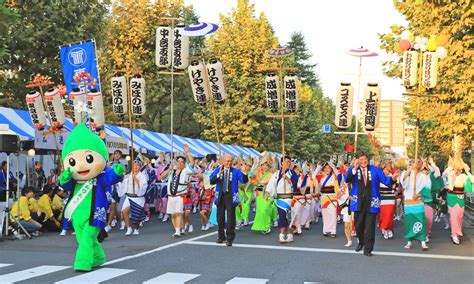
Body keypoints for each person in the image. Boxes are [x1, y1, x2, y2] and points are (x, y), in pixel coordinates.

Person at [345, 151, 398, 257]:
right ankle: (361, 241)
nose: (363, 161)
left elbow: (385, 180)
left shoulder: (375, 170)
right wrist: (354, 168)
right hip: (358, 201)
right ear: (358, 160)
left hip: (372, 202)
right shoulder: (353, 169)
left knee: (370, 227)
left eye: (365, 159)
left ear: (367, 159)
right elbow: (347, 179)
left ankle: (368, 249)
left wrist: (392, 179)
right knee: (359, 225)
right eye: (361, 160)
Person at [210, 154, 249, 246]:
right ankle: (221, 236)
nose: (229, 163)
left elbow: (244, 181)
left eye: (230, 161)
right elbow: (211, 180)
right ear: (223, 161)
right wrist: (219, 174)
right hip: (220, 195)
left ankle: (229, 238)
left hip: (231, 196)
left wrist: (244, 172)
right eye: (227, 161)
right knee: (220, 217)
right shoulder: (218, 169)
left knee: (231, 217)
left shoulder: (236, 171)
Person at [160, 145, 196, 237]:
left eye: (182, 162)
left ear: (184, 164)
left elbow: (192, 163)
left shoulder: (185, 171)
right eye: (178, 162)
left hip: (180, 196)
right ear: (176, 163)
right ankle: (177, 229)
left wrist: (188, 152)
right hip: (171, 197)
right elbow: (161, 177)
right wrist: (169, 169)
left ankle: (178, 231)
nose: (180, 163)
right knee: (172, 215)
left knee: (178, 213)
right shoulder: (171, 172)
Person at [265, 156, 298, 244]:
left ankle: (289, 234)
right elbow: (271, 184)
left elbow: (295, 185)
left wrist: (288, 179)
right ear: (282, 163)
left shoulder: (292, 173)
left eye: (289, 162)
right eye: (286, 162)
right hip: (280, 198)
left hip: (289, 198)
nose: (288, 163)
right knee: (282, 216)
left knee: (289, 217)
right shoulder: (276, 174)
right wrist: (267, 193)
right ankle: (282, 235)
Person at [400, 159, 429, 250]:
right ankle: (409, 241)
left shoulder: (423, 176)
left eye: (419, 163)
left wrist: (418, 195)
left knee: (421, 220)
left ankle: (423, 241)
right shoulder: (407, 173)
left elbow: (427, 189)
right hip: (409, 202)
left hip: (418, 201)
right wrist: (411, 168)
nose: (418, 164)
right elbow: (402, 180)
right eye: (416, 162)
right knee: (409, 222)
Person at [445, 156, 473, 245]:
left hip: (461, 198)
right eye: (456, 168)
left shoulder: (464, 176)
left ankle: (456, 232)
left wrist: (466, 169)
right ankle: (454, 235)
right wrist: (451, 166)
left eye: (459, 168)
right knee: (454, 216)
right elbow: (444, 175)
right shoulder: (450, 174)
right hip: (452, 197)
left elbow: (472, 180)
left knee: (460, 217)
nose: (457, 170)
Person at [117, 159, 148, 236]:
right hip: (129, 196)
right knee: (124, 211)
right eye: (134, 165)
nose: (136, 167)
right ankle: (129, 228)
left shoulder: (142, 176)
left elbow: (143, 186)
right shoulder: (128, 175)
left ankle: (136, 229)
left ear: (140, 167)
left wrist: (136, 179)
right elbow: (123, 182)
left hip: (138, 198)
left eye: (137, 165)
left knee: (136, 216)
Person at [316, 162, 340, 238]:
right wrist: (318, 168)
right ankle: (325, 230)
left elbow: (339, 174)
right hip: (324, 198)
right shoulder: (320, 177)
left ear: (331, 169)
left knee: (333, 214)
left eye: (329, 168)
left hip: (333, 197)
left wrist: (334, 166)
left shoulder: (334, 176)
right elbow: (313, 177)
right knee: (325, 215)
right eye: (325, 168)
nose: (327, 169)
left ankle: (333, 231)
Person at [251, 154, 274, 234]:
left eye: (266, 165)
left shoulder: (271, 174)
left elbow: (269, 183)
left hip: (267, 194)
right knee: (260, 211)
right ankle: (261, 226)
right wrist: (253, 178)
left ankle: (267, 226)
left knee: (265, 210)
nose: (264, 167)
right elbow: (253, 179)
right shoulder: (258, 173)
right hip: (259, 193)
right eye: (263, 165)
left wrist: (260, 183)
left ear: (269, 166)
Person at [105, 150, 124, 232]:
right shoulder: (109, 164)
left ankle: (108, 225)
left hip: (116, 188)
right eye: (115, 154)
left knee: (113, 206)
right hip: (108, 187)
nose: (116, 156)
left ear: (120, 156)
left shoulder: (121, 165)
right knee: (113, 208)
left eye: (118, 154)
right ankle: (122, 220)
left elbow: (122, 177)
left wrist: (117, 181)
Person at [379, 162, 396, 239]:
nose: (385, 171)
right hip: (382, 198)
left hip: (390, 198)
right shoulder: (379, 177)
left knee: (389, 215)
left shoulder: (392, 177)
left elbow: (394, 187)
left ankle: (388, 228)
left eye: (387, 170)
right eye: (384, 170)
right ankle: (384, 228)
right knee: (383, 215)